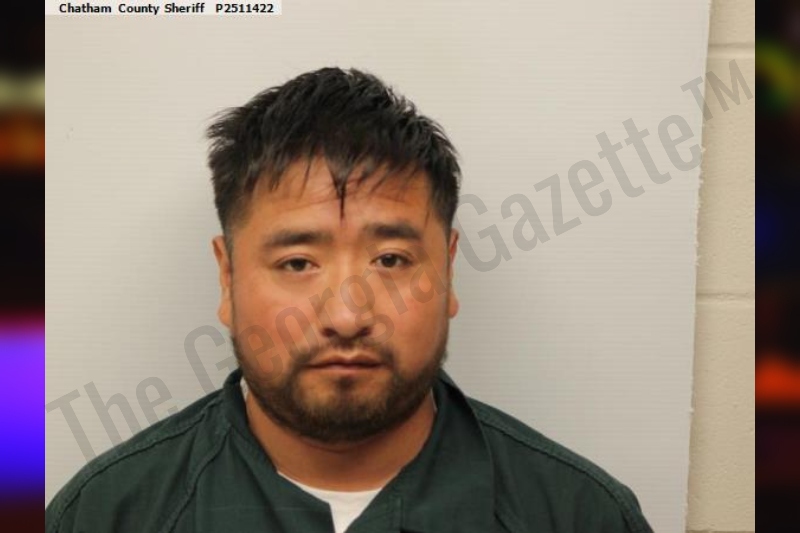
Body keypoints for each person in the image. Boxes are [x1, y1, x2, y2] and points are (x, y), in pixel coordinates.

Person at [45, 67, 654, 533]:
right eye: (297, 263)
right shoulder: (106, 514)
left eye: (390, 260)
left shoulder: (580, 515)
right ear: (227, 279)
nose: (345, 317)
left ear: (447, 273)